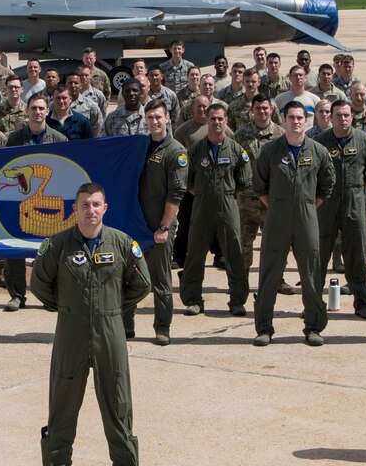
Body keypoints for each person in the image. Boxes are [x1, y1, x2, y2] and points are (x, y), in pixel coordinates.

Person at [31, 182, 151, 466]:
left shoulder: (123, 243)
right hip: (70, 330)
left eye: (96, 204)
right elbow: (40, 284)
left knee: (118, 399)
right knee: (63, 400)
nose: (90, 210)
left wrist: (109, 308)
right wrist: (69, 308)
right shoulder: (57, 246)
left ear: (105, 208)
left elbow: (141, 284)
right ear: (75, 209)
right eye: (84, 205)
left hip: (110, 332)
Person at [249, 100, 337, 346]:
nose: (296, 122)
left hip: (307, 219)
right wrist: (279, 206)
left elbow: (327, 185)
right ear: (284, 120)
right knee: (269, 274)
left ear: (306, 120)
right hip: (276, 218)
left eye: (300, 118)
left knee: (310, 274)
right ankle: (264, 328)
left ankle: (313, 327)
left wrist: (307, 206)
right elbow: (259, 185)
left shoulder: (318, 151)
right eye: (291, 118)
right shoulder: (270, 151)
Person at [180, 102, 254, 317]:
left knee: (233, 252)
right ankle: (193, 299)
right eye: (212, 118)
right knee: (195, 252)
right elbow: (189, 181)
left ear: (226, 121)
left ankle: (237, 300)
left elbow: (244, 181)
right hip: (201, 204)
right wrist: (205, 193)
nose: (217, 122)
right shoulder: (195, 150)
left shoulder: (236, 150)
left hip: (228, 204)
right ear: (207, 120)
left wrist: (225, 194)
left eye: (220, 119)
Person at [0, 95, 69, 312]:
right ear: (26, 111)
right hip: (21, 202)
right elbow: (7, 168)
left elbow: (66, 171)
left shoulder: (59, 140)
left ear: (47, 112)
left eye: (41, 108)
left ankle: (51, 296)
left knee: (52, 251)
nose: (37, 112)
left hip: (49, 203)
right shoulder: (15, 138)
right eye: (33, 108)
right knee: (17, 248)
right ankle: (17, 295)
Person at [315, 98, 366, 322]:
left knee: (357, 256)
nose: (343, 119)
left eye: (346, 115)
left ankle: (363, 303)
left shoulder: (364, 141)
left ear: (352, 116)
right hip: (326, 207)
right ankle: (313, 304)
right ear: (330, 117)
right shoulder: (319, 142)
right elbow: (314, 174)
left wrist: (355, 190)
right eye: (338, 115)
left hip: (354, 206)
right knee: (319, 255)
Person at [136, 99, 186, 344]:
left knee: (161, 280)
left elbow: (175, 195)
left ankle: (163, 327)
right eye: (150, 118)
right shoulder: (141, 147)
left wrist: (164, 227)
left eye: (158, 117)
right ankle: (126, 326)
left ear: (167, 118)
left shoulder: (175, 152)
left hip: (160, 227)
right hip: (137, 225)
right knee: (130, 277)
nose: (154, 122)